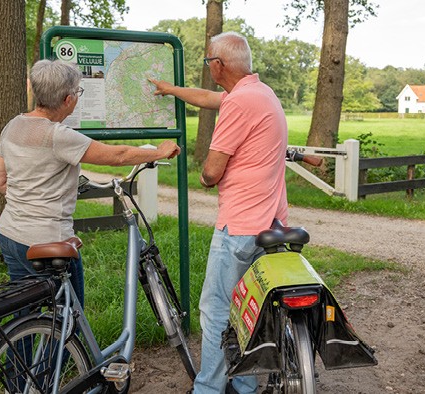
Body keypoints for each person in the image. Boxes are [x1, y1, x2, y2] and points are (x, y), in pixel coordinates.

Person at [149, 31, 288, 394]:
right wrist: (171, 89)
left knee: (214, 310)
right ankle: (242, 384)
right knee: (244, 309)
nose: (208, 64)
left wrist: (202, 175)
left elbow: (212, 172)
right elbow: (212, 99)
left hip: (239, 226)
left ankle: (207, 388)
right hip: (268, 221)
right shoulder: (260, 93)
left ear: (219, 65)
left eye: (209, 59)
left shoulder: (239, 104)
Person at [0, 59, 181, 308]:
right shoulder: (58, 135)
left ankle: (20, 345)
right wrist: (159, 151)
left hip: (10, 235)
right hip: (48, 241)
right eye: (78, 92)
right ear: (68, 100)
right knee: (67, 321)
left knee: (24, 314)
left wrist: (28, 194)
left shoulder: (13, 126)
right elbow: (117, 156)